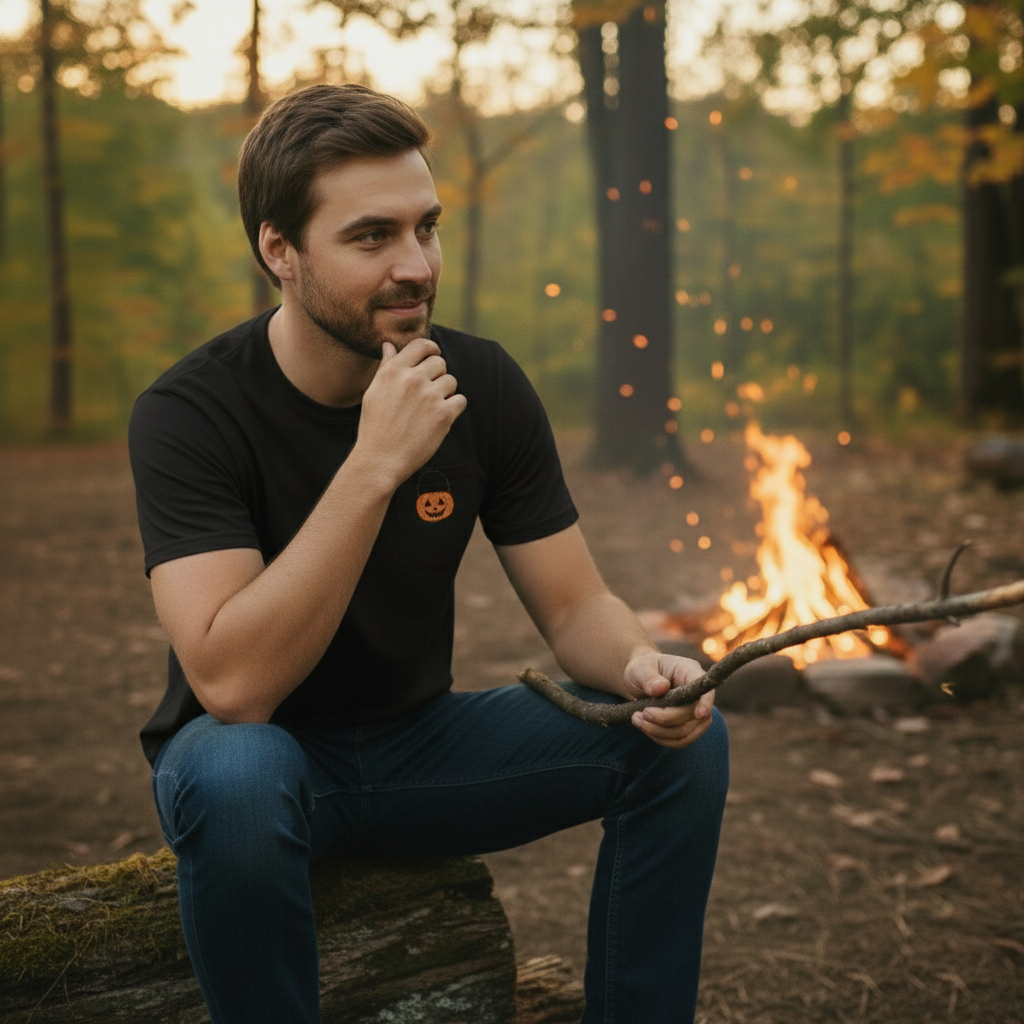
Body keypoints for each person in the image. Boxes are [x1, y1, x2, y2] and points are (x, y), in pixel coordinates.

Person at [128, 83, 728, 1024]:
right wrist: (374, 466)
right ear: (278, 251)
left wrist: (641, 665)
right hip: (265, 767)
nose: (416, 266)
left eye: (427, 228)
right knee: (237, 772)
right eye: (372, 237)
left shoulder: (480, 381)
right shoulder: (190, 414)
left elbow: (574, 609)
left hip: (423, 749)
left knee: (681, 741)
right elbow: (234, 687)